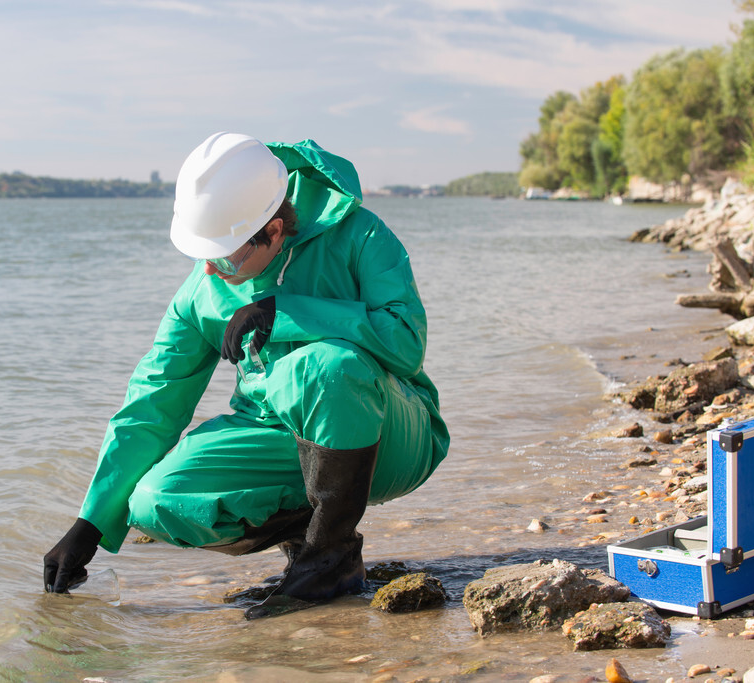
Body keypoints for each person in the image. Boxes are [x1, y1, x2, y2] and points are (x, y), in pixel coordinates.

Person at [43, 132, 449, 619]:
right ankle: (308, 540)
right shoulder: (204, 290)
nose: (212, 271)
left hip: (393, 434)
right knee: (155, 501)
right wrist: (90, 523)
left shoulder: (360, 234)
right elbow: (152, 403)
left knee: (326, 366)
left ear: (275, 229)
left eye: (225, 255)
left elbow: (406, 344)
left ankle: (331, 556)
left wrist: (288, 312)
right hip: (280, 435)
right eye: (203, 255)